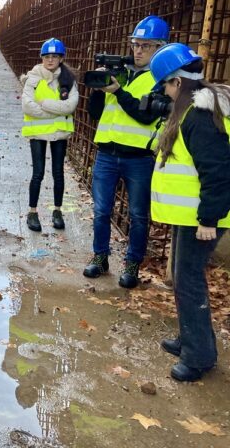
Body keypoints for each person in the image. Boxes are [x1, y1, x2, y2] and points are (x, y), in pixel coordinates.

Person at [147, 43, 230, 382]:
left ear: (178, 83)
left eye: (166, 85)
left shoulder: (199, 117)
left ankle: (199, 357)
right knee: (184, 279)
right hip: (193, 215)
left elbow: (218, 170)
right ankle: (190, 339)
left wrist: (208, 219)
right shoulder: (195, 111)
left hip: (204, 218)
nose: (165, 92)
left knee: (190, 281)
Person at [84, 16, 168, 288]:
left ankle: (132, 264)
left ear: (161, 48)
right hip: (107, 153)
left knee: (138, 215)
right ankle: (100, 258)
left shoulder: (162, 80)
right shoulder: (119, 71)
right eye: (136, 44)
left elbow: (144, 117)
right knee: (101, 211)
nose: (139, 50)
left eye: (146, 45)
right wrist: (98, 89)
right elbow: (95, 114)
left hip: (139, 159)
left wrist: (118, 91)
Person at [21, 38, 78, 232]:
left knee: (58, 173)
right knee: (37, 173)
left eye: (55, 56)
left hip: (59, 134)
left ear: (61, 58)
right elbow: (27, 106)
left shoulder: (68, 79)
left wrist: (44, 103)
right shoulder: (33, 78)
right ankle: (32, 212)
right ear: (42, 57)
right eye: (47, 56)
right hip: (38, 132)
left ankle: (57, 211)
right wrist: (58, 110)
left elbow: (71, 105)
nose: (50, 60)